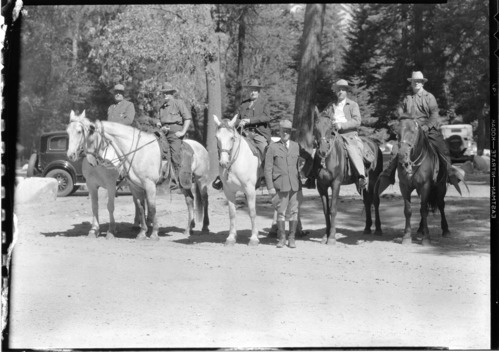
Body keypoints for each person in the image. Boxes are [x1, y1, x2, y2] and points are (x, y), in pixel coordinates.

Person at [377, 71, 455, 193]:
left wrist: (427, 127)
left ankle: (450, 173)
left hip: (427, 128)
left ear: (422, 83)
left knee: (441, 146)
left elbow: (434, 115)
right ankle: (389, 174)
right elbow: (403, 116)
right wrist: (402, 127)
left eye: (419, 81)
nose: (416, 83)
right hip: (410, 130)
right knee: (396, 150)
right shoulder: (407, 99)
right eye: (414, 81)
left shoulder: (429, 97)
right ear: (411, 83)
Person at [305, 79, 367, 192]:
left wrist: (342, 125)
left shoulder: (353, 105)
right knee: (316, 150)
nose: (340, 92)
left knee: (352, 150)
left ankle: (361, 176)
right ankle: (311, 176)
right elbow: (323, 118)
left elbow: (357, 121)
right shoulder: (330, 106)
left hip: (348, 135)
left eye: (343, 89)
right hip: (331, 135)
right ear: (336, 91)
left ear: (346, 91)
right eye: (338, 90)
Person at [212, 78, 271, 190]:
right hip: (244, 133)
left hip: (259, 134)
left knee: (266, 150)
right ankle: (222, 176)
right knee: (227, 147)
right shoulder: (243, 104)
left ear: (258, 91)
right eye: (251, 90)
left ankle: (265, 177)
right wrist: (240, 122)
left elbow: (266, 117)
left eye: (255, 90)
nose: (252, 92)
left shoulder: (264, 103)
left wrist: (249, 121)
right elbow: (236, 119)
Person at [265, 119, 308, 249]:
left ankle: (292, 238)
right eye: (283, 131)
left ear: (291, 133)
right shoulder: (272, 147)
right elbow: (267, 169)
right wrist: (270, 187)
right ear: (279, 131)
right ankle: (282, 238)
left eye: (288, 131)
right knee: (281, 212)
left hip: (295, 184)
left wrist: (304, 173)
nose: (285, 134)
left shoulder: (296, 146)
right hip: (280, 185)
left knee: (294, 212)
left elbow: (307, 160)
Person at [152, 82, 192, 183]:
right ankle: (160, 178)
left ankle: (180, 181)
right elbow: (158, 121)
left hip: (175, 133)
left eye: (168, 92)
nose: (165, 95)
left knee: (175, 155)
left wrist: (182, 132)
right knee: (156, 152)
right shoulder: (161, 108)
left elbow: (187, 118)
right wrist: (159, 124)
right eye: (164, 93)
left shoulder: (178, 103)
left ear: (172, 93)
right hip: (163, 133)